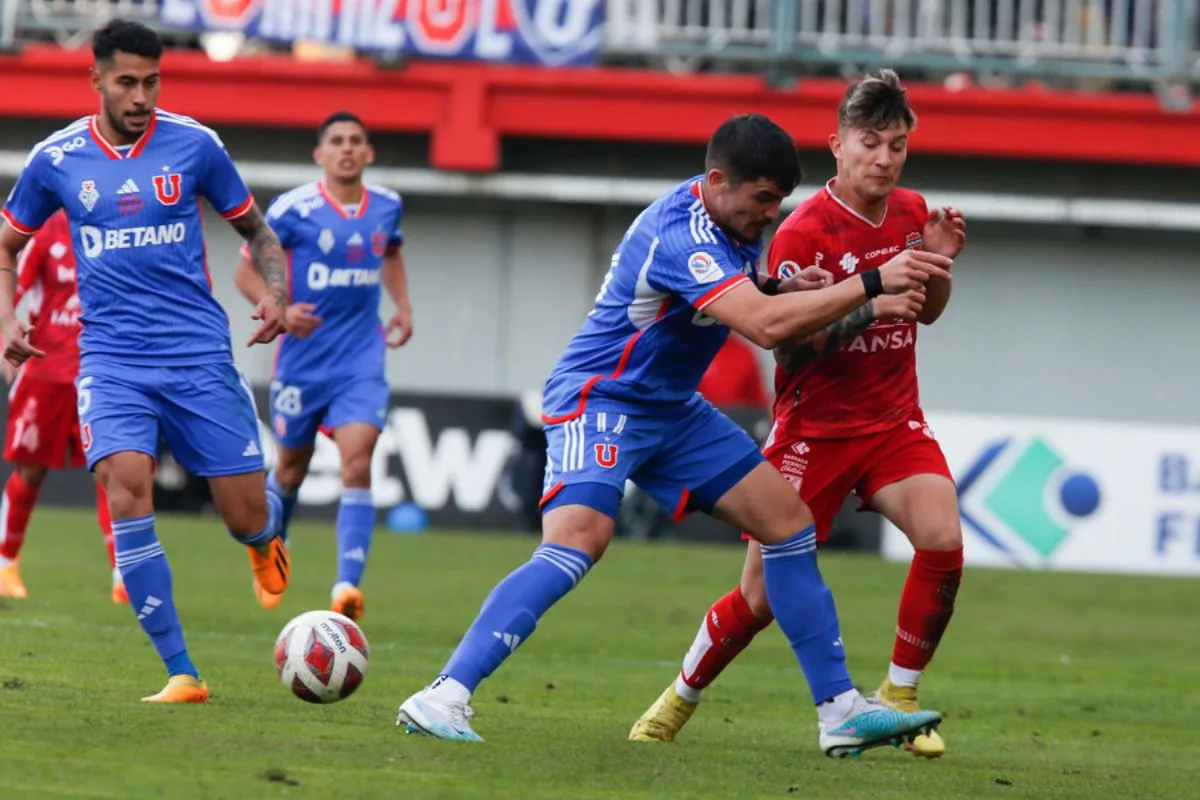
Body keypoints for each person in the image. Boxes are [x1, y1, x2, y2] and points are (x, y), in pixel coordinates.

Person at [395, 113, 953, 757]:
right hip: (601, 396)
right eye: (763, 200)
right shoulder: (682, 230)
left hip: (669, 408)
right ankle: (444, 694)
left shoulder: (729, 215)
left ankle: (839, 711)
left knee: (788, 522)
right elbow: (766, 328)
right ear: (717, 181)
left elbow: (745, 300)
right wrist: (874, 284)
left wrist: (777, 284)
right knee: (580, 540)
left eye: (778, 201)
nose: (770, 216)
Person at [628, 70, 967, 759]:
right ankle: (679, 697)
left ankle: (899, 699)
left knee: (942, 538)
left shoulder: (911, 211)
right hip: (815, 431)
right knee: (756, 599)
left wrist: (935, 264)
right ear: (837, 145)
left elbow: (926, 313)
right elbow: (790, 349)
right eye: (870, 143)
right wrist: (865, 303)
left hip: (893, 421)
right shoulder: (802, 230)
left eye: (897, 146)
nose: (884, 159)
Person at [0, 19, 292, 704]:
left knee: (242, 513)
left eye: (151, 81)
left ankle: (263, 537)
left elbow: (258, 231)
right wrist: (7, 315)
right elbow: (5, 246)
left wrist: (277, 294)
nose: (141, 95)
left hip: (196, 355)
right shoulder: (57, 159)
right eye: (127, 81)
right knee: (125, 484)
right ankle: (182, 673)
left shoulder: (196, 145)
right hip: (111, 360)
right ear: (96, 80)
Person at [233, 110, 413, 622]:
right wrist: (282, 312)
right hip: (303, 361)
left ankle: (346, 588)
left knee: (359, 460)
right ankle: (270, 551)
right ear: (321, 154)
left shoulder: (387, 206)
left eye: (356, 140)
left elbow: (393, 253)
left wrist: (403, 305)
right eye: (337, 141)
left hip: (361, 359)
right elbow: (244, 271)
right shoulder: (294, 208)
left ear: (369, 152)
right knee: (289, 470)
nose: (347, 149)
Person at [0, 209, 125, 604]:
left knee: (112, 469)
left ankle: (124, 575)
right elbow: (11, 290)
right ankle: (5, 564)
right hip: (46, 371)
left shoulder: (117, 225)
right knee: (31, 469)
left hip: (102, 369)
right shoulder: (42, 230)